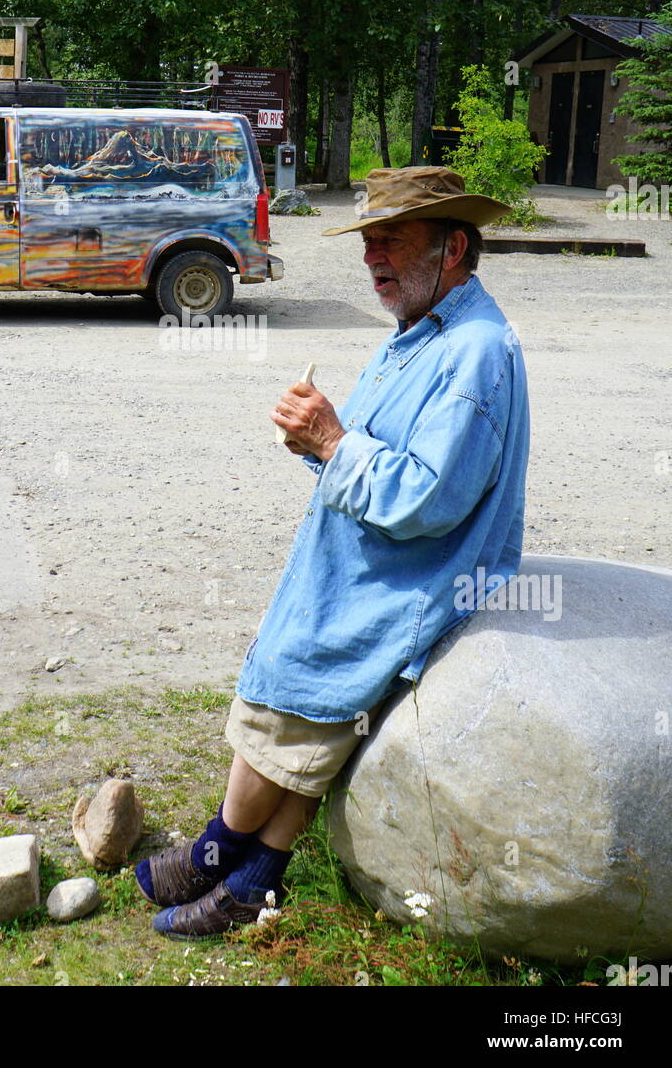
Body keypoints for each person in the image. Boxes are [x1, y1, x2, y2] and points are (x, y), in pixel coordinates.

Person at [135, 166, 531, 938]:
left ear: (452, 248)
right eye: (368, 240)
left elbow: (428, 498)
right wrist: (320, 444)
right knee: (311, 704)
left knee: (290, 681)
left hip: (413, 569)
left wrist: (332, 440)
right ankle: (253, 879)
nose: (370, 256)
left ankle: (216, 854)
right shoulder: (427, 330)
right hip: (377, 554)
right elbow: (377, 452)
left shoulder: (476, 350)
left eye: (391, 240)